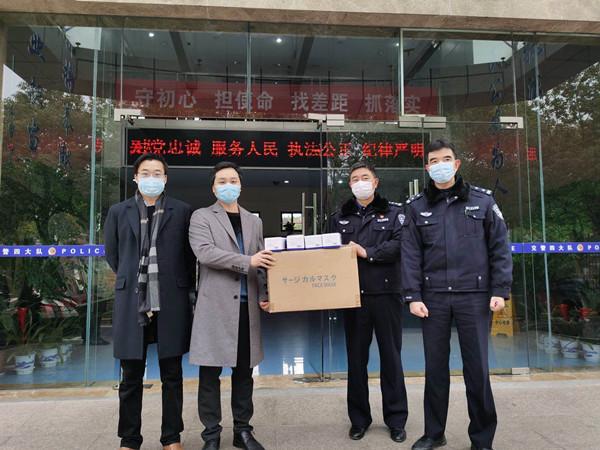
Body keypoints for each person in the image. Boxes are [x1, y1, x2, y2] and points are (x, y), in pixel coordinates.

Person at [401, 139, 513, 450]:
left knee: (477, 370)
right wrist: (413, 296)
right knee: (435, 369)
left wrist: (500, 290)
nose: (441, 165)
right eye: (434, 161)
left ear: (457, 164)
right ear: (427, 167)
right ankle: (434, 433)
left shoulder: (483, 202)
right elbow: (410, 255)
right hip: (433, 298)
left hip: (474, 296)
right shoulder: (416, 207)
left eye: (446, 159)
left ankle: (482, 438)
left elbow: (500, 248)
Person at [104, 153, 196, 450]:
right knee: (131, 375)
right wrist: (134, 277)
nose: (151, 178)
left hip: (171, 300)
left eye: (157, 173)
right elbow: (113, 254)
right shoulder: (118, 212)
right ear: (135, 177)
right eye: (146, 173)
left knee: (172, 374)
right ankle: (129, 439)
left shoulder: (182, 211)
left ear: (165, 179)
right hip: (133, 300)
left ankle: (172, 437)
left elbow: (188, 257)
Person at [188, 161, 273, 450]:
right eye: (222, 181)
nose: (228, 185)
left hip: (247, 308)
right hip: (214, 308)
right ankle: (211, 435)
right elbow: (205, 253)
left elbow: (262, 261)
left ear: (240, 185)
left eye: (233, 180)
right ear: (213, 188)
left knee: (244, 374)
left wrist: (265, 293)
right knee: (209, 375)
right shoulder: (201, 217)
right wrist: (247, 261)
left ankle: (242, 431)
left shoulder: (253, 221)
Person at [329, 161, 409, 443]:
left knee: (391, 359)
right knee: (356, 361)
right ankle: (359, 420)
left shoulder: (396, 213)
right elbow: (328, 253)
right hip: (354, 298)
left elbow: (400, 245)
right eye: (355, 178)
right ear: (350, 185)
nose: (360, 182)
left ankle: (396, 420)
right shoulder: (339, 217)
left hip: (387, 295)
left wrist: (367, 252)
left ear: (375, 182)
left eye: (365, 177)